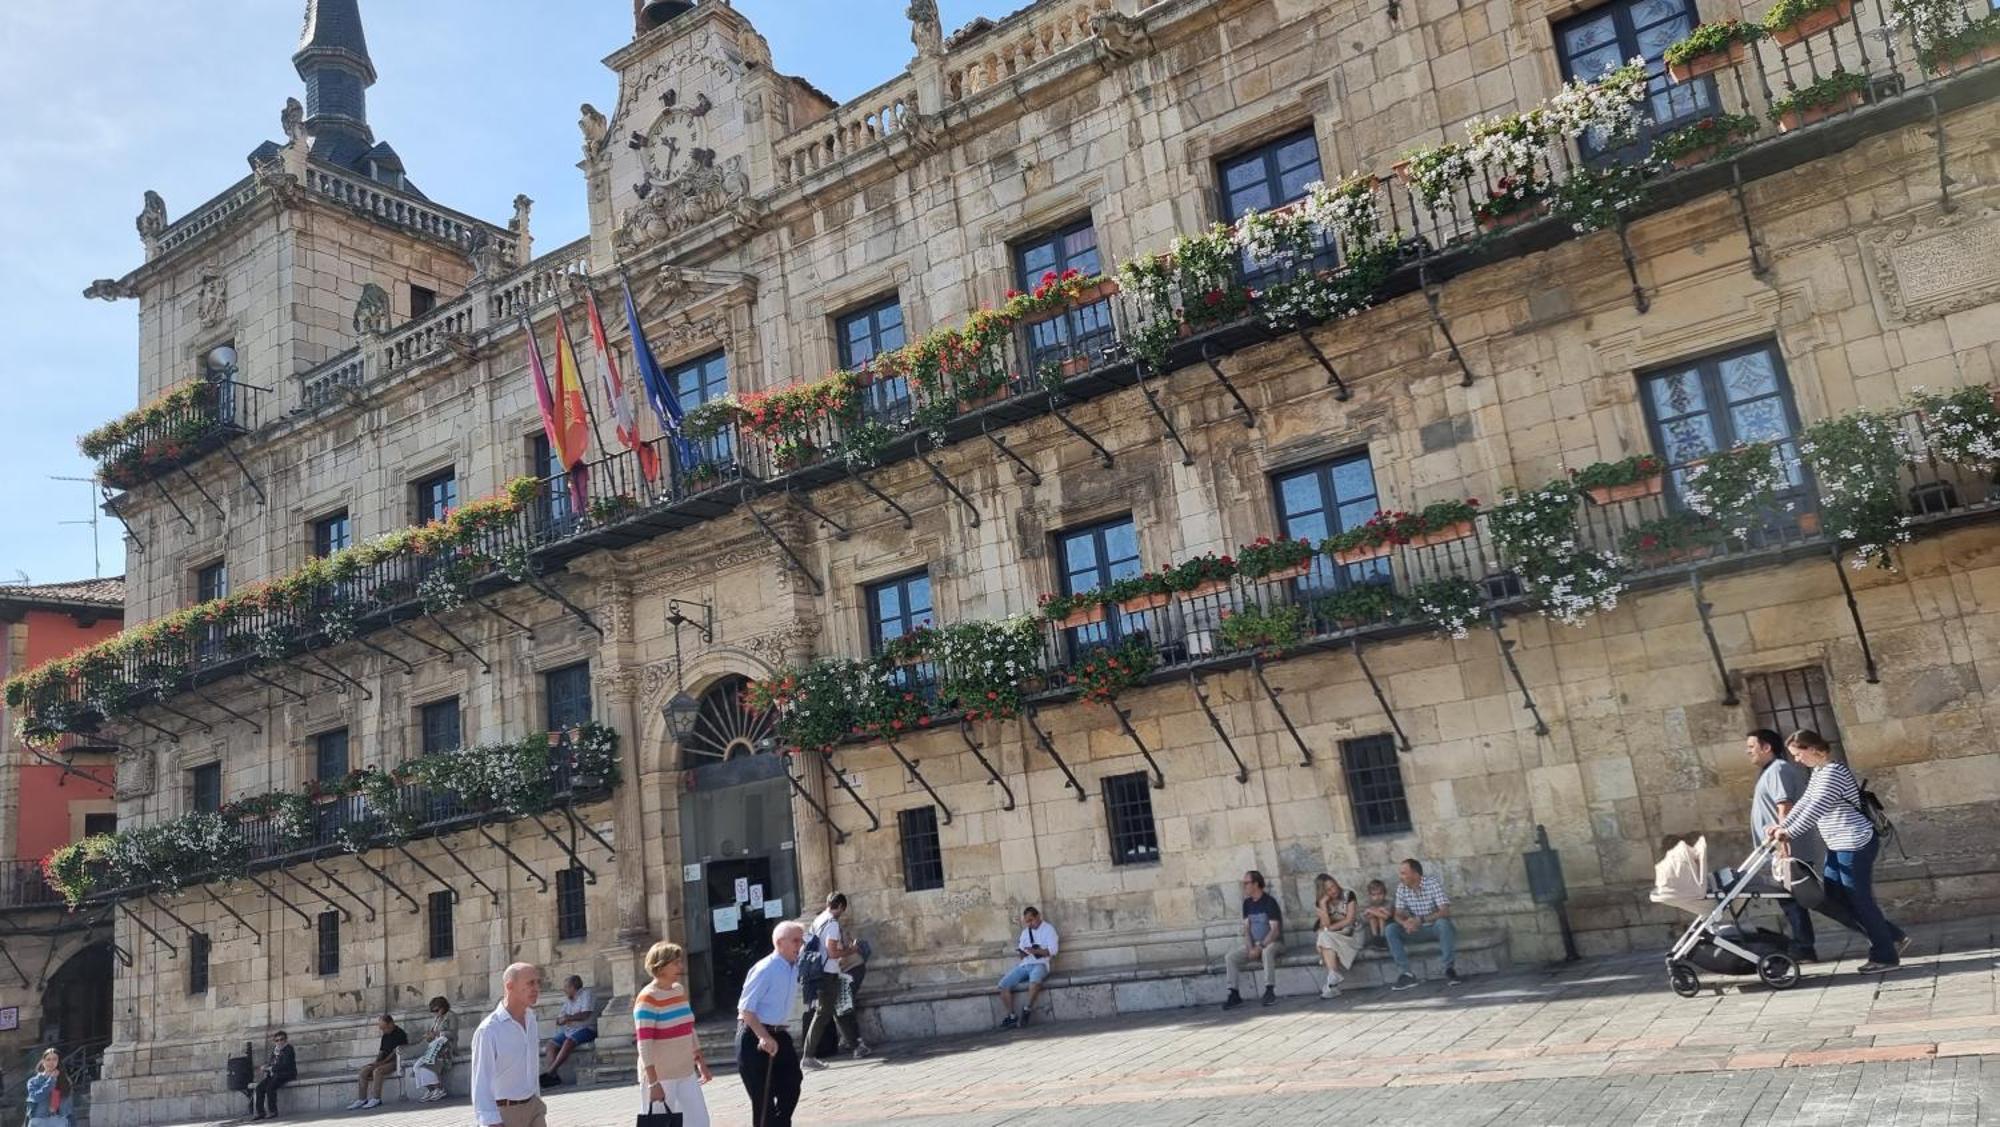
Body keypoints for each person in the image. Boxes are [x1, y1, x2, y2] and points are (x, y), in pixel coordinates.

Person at [1767, 730, 1910, 974]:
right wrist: (1783, 826)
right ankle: (1893, 936)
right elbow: (1805, 803)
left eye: (1798, 754)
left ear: (1813, 749)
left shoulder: (1834, 772)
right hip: (1838, 844)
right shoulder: (1819, 772)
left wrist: (1788, 833)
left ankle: (1885, 956)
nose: (1797, 760)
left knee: (1860, 900)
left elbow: (1817, 809)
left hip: (1855, 843)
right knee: (1834, 898)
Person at [1745, 728, 1822, 961]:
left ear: (1766, 747)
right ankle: (1803, 945)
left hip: (1789, 849)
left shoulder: (1778, 769)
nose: (1748, 752)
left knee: (1798, 900)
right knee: (1793, 900)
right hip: (1780, 850)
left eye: (1751, 747)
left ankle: (1804, 946)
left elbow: (1784, 806)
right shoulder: (1768, 771)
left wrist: (1783, 842)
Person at [635, 940, 712, 1127]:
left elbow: (688, 1028)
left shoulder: (678, 990)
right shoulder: (647, 998)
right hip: (661, 1076)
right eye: (676, 962)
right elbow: (644, 1044)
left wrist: (699, 1061)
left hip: (685, 1070)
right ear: (661, 966)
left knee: (700, 1122)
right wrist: (653, 1083)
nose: (681, 966)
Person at [737, 919, 806, 1127]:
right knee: (763, 1098)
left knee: (792, 1082)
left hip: (778, 1033)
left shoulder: (793, 967)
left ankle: (780, 1123)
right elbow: (745, 1009)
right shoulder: (765, 969)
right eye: (795, 941)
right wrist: (763, 1036)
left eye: (801, 941)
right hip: (754, 1034)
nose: (800, 946)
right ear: (779, 943)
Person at [471, 963, 547, 1127]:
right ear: (510, 986)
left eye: (537, 982)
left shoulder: (531, 1019)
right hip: (505, 1113)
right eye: (530, 983)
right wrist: (490, 1121)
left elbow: (531, 1065)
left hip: (534, 1108)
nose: (536, 988)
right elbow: (481, 1079)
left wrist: (537, 1100)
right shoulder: (489, 1030)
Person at [801, 893, 866, 1069]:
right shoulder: (832, 924)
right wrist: (851, 950)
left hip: (821, 973)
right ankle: (808, 1055)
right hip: (827, 973)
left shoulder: (818, 920)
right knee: (823, 1013)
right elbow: (832, 953)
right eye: (843, 909)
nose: (842, 913)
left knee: (838, 1007)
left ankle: (857, 1045)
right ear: (840, 906)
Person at [1386, 858, 1461, 989]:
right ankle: (1406, 974)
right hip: (1414, 930)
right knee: (1391, 929)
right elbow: (1398, 914)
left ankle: (1449, 969)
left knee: (1443, 924)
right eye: (1400, 873)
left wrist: (1420, 920)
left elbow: (1445, 911)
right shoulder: (1401, 888)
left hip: (1433, 927)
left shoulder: (1432, 884)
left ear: (1415, 874)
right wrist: (1405, 923)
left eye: (1404, 873)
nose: (1400, 876)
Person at [1222, 870, 1283, 1009]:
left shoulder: (1269, 902)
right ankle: (1234, 993)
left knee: (1267, 952)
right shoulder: (1247, 904)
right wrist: (1250, 948)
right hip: (1254, 945)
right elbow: (1247, 929)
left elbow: (1275, 931)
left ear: (1256, 884)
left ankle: (1269, 990)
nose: (1244, 886)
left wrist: (1260, 947)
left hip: (1273, 943)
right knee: (1230, 957)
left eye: (1246, 883)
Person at [996, 905, 1059, 1029]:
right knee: (1003, 984)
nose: (1029, 924)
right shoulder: (1025, 932)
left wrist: (1036, 951)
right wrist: (1022, 952)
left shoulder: (1049, 929)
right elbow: (1022, 951)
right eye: (1027, 922)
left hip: (1041, 964)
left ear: (1038, 916)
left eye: (1031, 920)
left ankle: (1027, 1009)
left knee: (1034, 980)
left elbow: (1053, 951)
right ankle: (1012, 1016)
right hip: (1025, 964)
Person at [539, 974, 597, 1086]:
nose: (564, 990)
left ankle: (550, 1072)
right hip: (570, 1030)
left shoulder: (586, 994)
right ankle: (553, 1076)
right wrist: (564, 1019)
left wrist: (568, 1018)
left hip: (587, 1029)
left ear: (572, 987)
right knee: (551, 1044)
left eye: (566, 987)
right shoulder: (568, 1001)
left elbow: (585, 1014)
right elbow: (559, 1019)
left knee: (569, 1041)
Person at [1312, 873, 1363, 998]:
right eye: (1328, 889)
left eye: (1334, 886)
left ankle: (1332, 984)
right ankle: (1333, 980)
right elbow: (1325, 924)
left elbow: (1349, 920)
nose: (1333, 890)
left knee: (1323, 939)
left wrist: (1327, 930)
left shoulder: (1348, 895)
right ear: (1322, 892)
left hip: (1353, 935)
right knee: (1325, 939)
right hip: (1335, 937)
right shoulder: (1320, 903)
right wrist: (1323, 904)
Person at [347, 1013, 408, 1110]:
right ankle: (362, 1099)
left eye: (384, 1028)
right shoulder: (385, 1035)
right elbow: (381, 1051)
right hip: (383, 1061)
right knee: (364, 1070)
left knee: (377, 1071)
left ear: (391, 1023)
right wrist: (375, 1062)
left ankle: (376, 1098)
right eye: (382, 1028)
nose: (383, 1030)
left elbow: (394, 1053)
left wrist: (379, 1064)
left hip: (395, 1061)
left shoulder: (400, 1034)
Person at [411, 995, 458, 1102]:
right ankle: (431, 1089)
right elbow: (432, 1035)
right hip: (434, 1048)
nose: (435, 1013)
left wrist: (438, 1033)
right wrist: (429, 1036)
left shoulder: (451, 1016)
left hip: (446, 1048)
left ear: (442, 1008)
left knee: (427, 1065)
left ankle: (439, 1089)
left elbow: (453, 1034)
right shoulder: (437, 1019)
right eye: (433, 1011)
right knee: (417, 1066)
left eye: (436, 1010)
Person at [250, 1030, 296, 1122]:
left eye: (281, 1039)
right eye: (277, 1040)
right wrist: (266, 1067)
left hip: (286, 1074)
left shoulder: (289, 1049)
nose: (279, 1042)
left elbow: (285, 1065)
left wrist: (270, 1068)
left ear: (285, 1040)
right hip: (275, 1074)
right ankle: (260, 1113)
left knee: (270, 1087)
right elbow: (271, 1063)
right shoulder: (275, 1050)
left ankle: (273, 1111)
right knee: (259, 1088)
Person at [25, 1047, 69, 1127]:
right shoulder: (33, 1081)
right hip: (38, 1121)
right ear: (43, 1062)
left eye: (55, 1059)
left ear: (58, 1062)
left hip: (57, 1121)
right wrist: (51, 1080)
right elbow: (36, 1097)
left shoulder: (64, 1081)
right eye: (48, 1059)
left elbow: (68, 1108)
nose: (51, 1062)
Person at [1361, 879, 1393, 946]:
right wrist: (1378, 911)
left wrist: (1372, 911)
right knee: (1372, 918)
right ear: (1370, 895)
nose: (1377, 897)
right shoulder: (1368, 903)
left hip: (1386, 924)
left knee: (1381, 918)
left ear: (1385, 894)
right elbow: (1364, 916)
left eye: (1380, 894)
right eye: (1374, 895)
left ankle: (1382, 937)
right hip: (1371, 926)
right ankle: (1375, 938)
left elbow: (1386, 916)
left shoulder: (1388, 903)